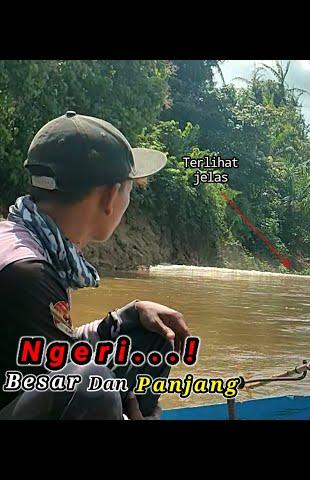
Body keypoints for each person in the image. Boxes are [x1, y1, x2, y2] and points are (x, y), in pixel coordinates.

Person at [0, 111, 190, 420]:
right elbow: (67, 380)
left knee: (146, 335)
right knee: (90, 383)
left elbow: (47, 355)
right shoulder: (28, 273)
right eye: (130, 189)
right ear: (110, 196)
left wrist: (122, 319)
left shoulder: (23, 243)